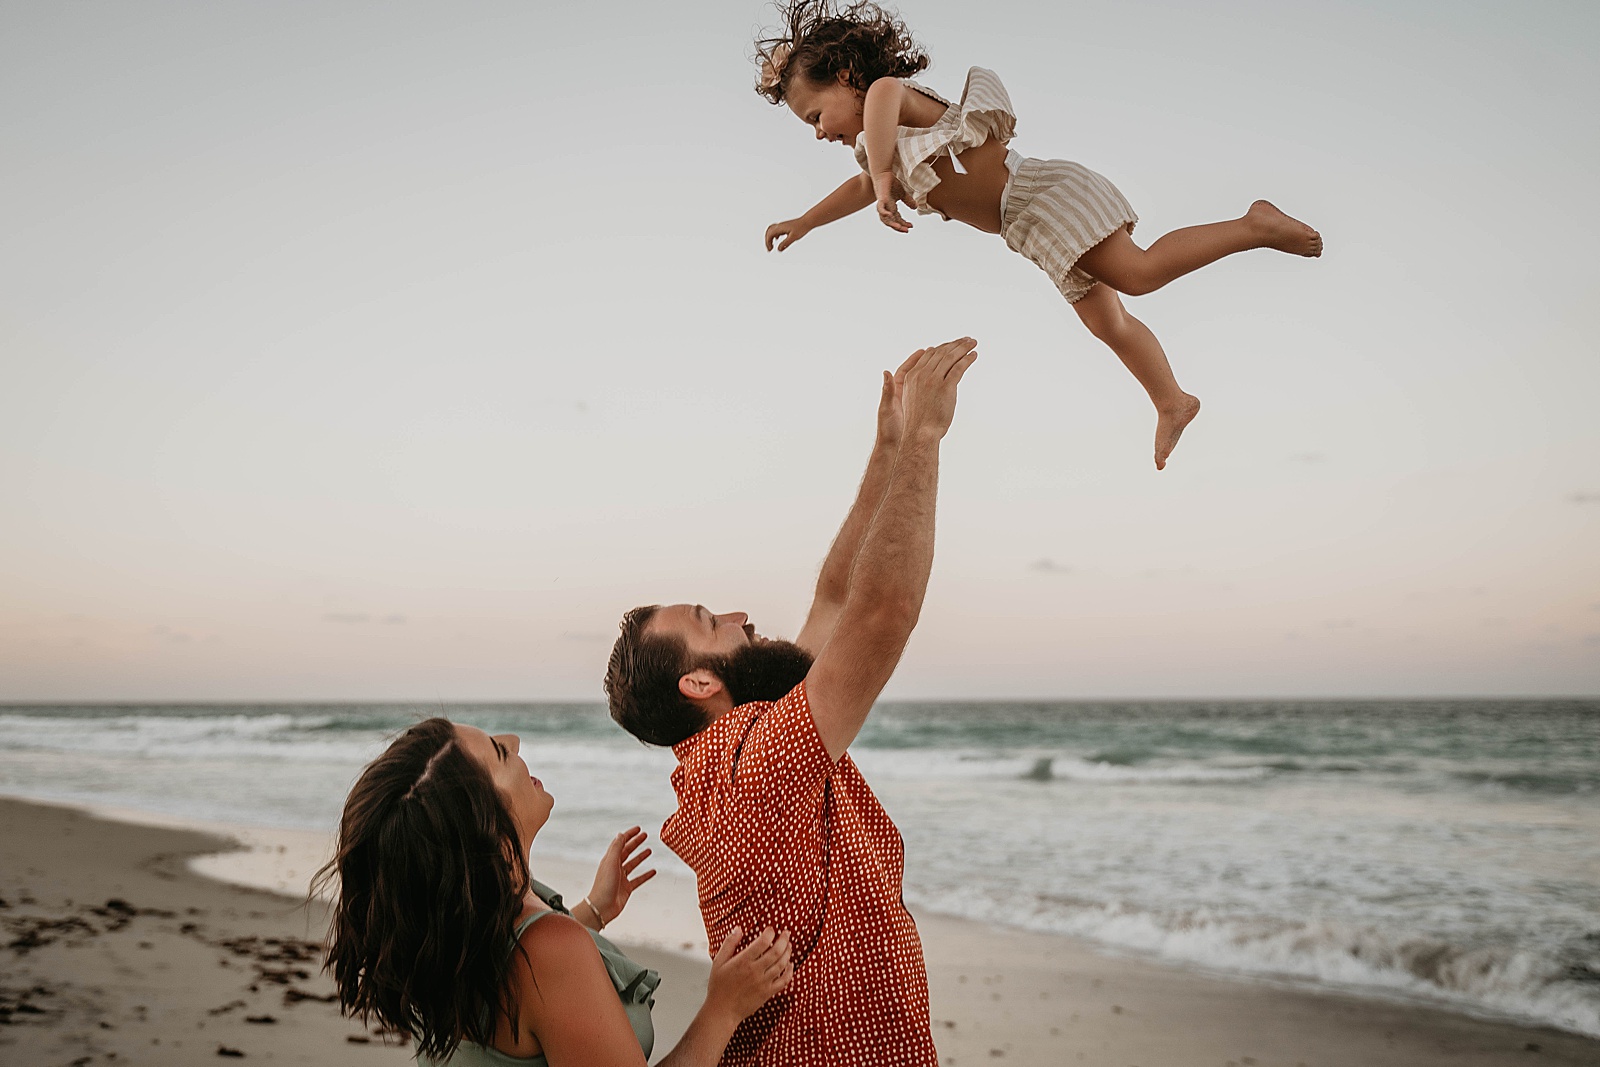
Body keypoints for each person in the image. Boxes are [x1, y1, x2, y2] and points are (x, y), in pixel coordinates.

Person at [604, 336, 979, 1066]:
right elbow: (882, 612)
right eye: (713, 622)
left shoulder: (741, 746)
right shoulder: (756, 764)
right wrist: (929, 439)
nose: (743, 614)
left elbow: (836, 596)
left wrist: (889, 448)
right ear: (700, 682)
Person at [756, 0, 1323, 470]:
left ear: (848, 78)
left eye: (814, 116)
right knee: (1108, 320)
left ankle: (1255, 225)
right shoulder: (880, 152)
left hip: (1042, 195)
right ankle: (1171, 400)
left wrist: (883, 179)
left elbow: (878, 121)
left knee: (1139, 272)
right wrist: (807, 221)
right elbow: (860, 184)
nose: (817, 133)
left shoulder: (889, 96)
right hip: (1029, 231)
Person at [318, 716, 793, 1066]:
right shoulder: (546, 950)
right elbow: (537, 975)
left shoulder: (446, 922)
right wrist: (722, 1009)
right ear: (483, 824)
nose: (515, 740)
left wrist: (591, 912)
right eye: (499, 753)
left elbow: (519, 1000)